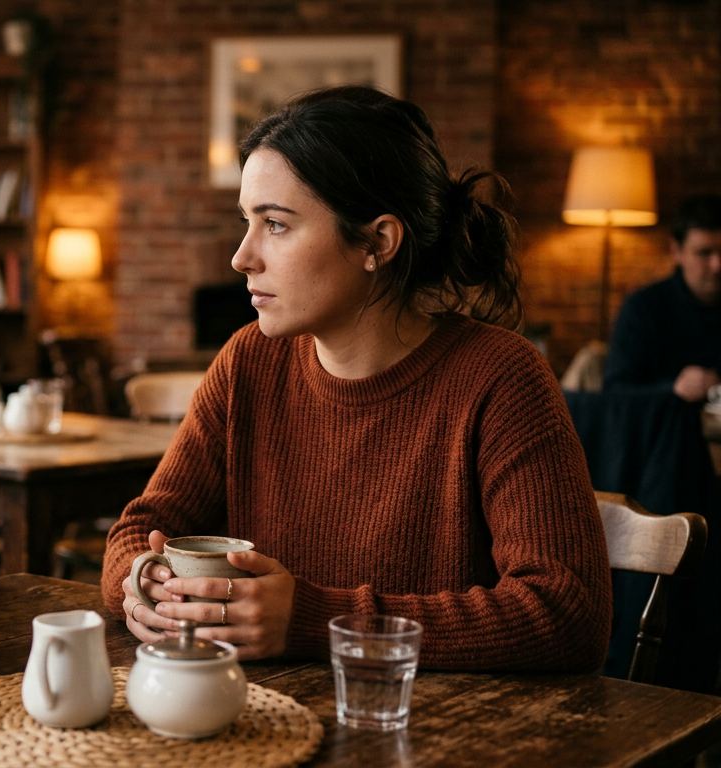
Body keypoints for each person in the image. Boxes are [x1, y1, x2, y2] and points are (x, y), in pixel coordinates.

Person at [102, 86, 612, 672]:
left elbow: (569, 615)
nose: (242, 257)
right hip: (261, 721)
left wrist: (315, 621)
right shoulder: (248, 362)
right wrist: (145, 589)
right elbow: (140, 530)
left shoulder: (501, 378)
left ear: (377, 241)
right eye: (246, 221)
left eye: (275, 224)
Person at [604, 193, 721, 401]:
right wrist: (674, 389)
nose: (717, 265)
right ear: (677, 251)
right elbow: (614, 392)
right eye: (704, 253)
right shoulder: (642, 308)